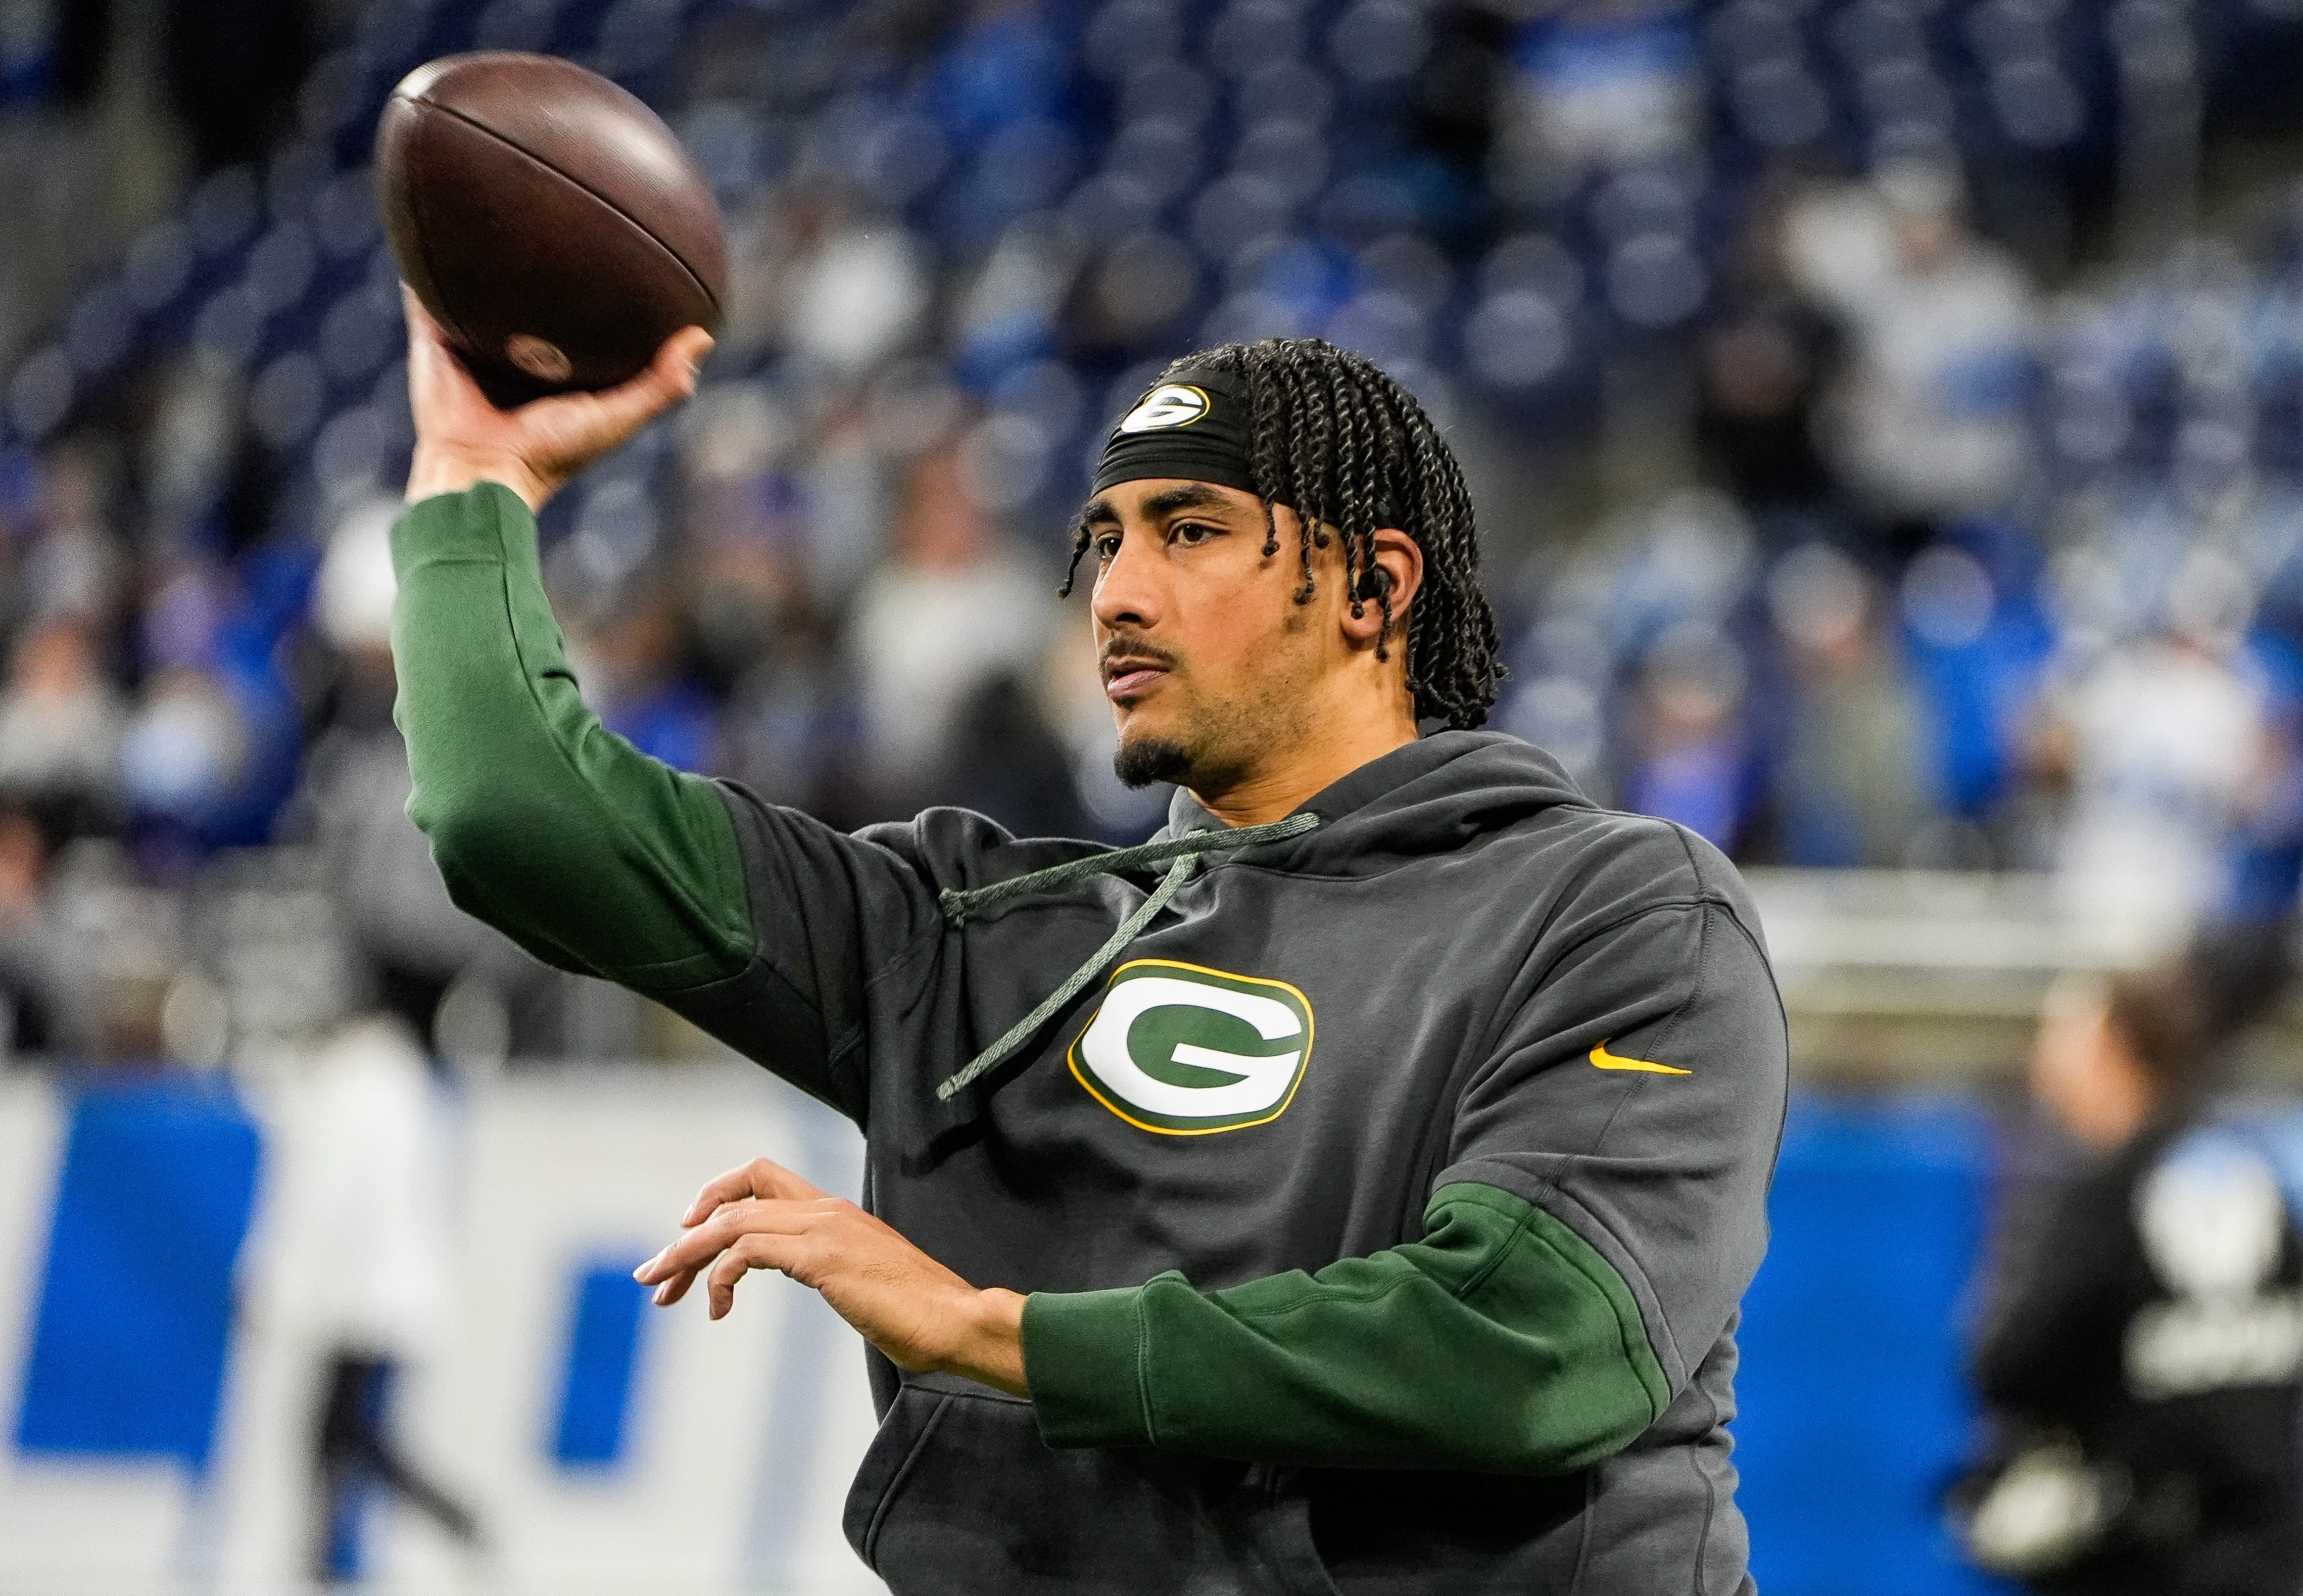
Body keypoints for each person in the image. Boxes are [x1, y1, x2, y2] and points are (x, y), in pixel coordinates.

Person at [386, 296, 1789, 1594]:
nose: (1115, 592)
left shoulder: (1617, 909)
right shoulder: (977, 932)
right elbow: (515, 813)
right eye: (1106, 541)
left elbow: (1533, 1337)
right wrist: (469, 477)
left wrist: (993, 1335)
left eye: (1189, 531)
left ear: (1369, 587)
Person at [1961, 949, 2303, 1593]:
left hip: (2137, 1556)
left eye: (2061, 1036)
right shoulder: (2257, 1175)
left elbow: (2009, 1362)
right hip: (2269, 1555)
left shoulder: (2101, 1195)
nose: (2043, 1062)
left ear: (2110, 1048)